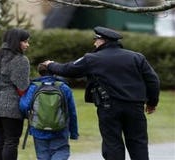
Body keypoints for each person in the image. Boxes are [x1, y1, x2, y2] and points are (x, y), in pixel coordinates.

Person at [42, 26, 160, 160]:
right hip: (135, 107)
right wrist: (152, 103)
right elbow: (153, 80)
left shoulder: (92, 58)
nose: (94, 43)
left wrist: (51, 65)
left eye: (95, 40)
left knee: (112, 144)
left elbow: (68, 69)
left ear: (103, 41)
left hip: (109, 108)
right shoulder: (137, 57)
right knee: (138, 143)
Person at [0, 28, 31, 160]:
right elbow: (23, 86)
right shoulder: (20, 60)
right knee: (11, 141)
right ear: (17, 42)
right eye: (25, 41)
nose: (27, 45)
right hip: (9, 106)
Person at [19, 63, 79, 160]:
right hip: (60, 130)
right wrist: (74, 133)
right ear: (55, 72)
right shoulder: (64, 87)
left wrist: (31, 117)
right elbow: (72, 112)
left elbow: (24, 106)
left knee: (42, 156)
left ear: (40, 73)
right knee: (60, 152)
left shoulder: (34, 87)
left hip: (38, 129)